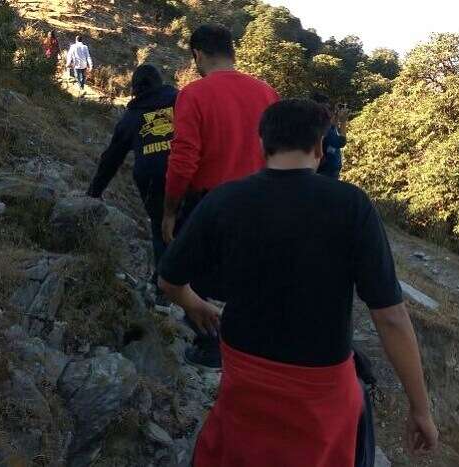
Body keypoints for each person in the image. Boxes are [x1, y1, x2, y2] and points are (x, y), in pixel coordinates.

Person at [159, 99, 438, 467]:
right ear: (321, 147)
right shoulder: (351, 205)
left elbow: (169, 279)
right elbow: (390, 317)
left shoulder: (225, 199)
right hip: (321, 392)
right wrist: (420, 408)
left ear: (261, 145)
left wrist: (195, 304)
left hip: (246, 381)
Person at [161, 24, 279, 369]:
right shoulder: (266, 92)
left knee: (204, 280)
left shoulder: (193, 94)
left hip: (214, 202)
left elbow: (183, 159)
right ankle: (253, 345)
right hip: (263, 198)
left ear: (197, 54)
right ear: (232, 50)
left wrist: (171, 210)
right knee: (252, 274)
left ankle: (213, 349)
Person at [87, 64, 177, 304]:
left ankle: (163, 289)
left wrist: (93, 193)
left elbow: (112, 158)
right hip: (188, 176)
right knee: (189, 225)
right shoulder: (182, 103)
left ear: (135, 90)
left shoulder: (133, 116)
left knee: (160, 229)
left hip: (152, 181)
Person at [311, 92, 348, 179]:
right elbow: (341, 142)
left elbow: (332, 126)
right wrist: (343, 121)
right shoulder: (321, 127)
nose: (328, 111)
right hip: (328, 172)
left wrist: (336, 115)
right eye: (327, 108)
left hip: (321, 170)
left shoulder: (313, 123)